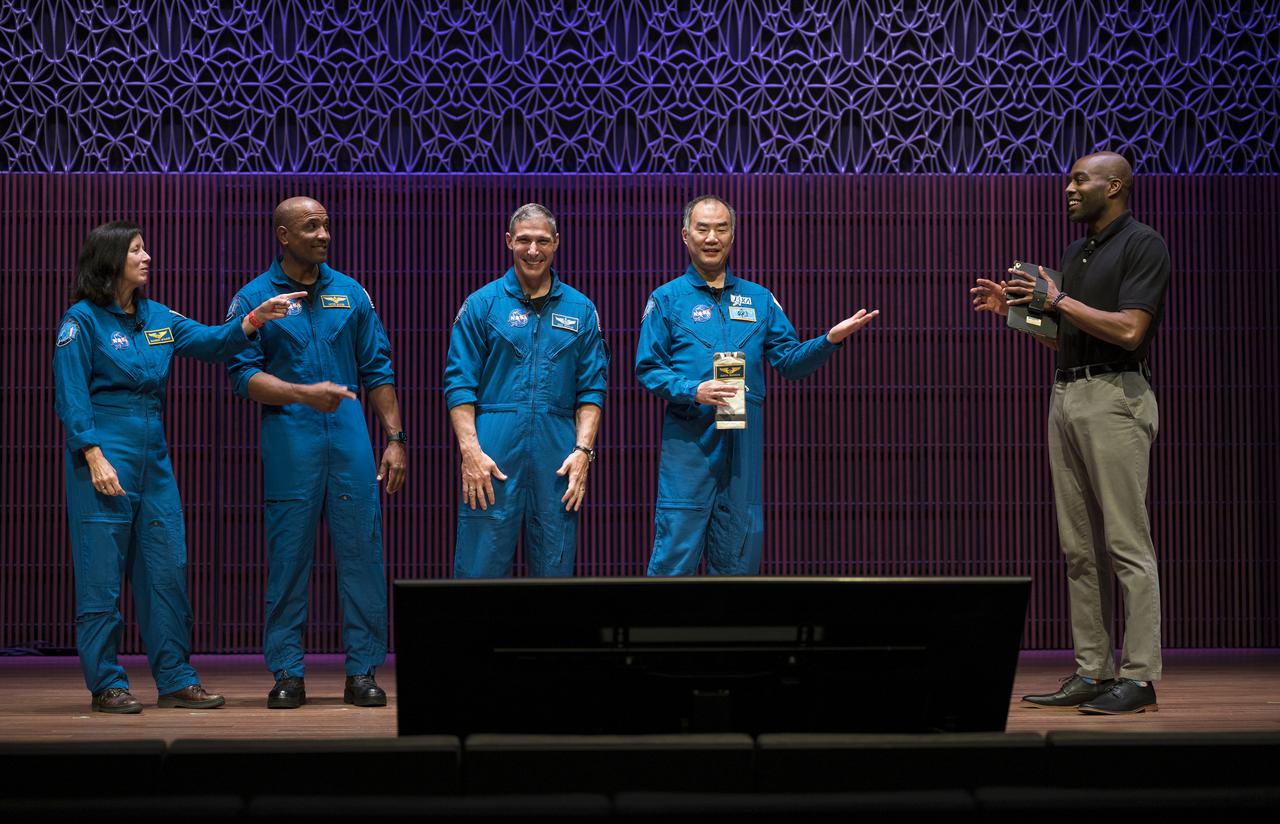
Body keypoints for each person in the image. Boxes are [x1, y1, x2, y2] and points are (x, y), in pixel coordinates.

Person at [53, 220, 303, 713]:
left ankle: (174, 679)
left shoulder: (158, 316)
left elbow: (213, 342)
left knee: (167, 570)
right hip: (104, 451)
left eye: (145, 248)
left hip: (154, 457)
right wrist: (92, 452)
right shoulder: (80, 321)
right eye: (136, 250)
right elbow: (71, 394)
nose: (147, 257)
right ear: (110, 259)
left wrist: (257, 318)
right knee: (101, 576)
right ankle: (107, 683)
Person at [971, 151, 1170, 714]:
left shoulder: (1143, 244)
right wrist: (1012, 314)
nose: (1069, 188)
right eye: (1069, 179)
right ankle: (1092, 670)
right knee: (1078, 547)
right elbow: (1071, 337)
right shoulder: (1075, 252)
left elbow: (1130, 331)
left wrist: (1056, 298)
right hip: (1067, 393)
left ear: (1116, 187)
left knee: (1126, 542)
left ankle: (1140, 676)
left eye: (1081, 180)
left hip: (1115, 396)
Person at [635, 195, 879, 576]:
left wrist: (829, 340)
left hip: (742, 443)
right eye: (702, 229)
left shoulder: (759, 298)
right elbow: (648, 367)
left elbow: (790, 363)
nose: (712, 237)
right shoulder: (666, 300)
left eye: (721, 228)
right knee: (673, 559)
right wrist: (692, 390)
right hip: (689, 441)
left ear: (732, 236)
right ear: (685, 235)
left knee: (738, 558)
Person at [226, 197, 406, 709]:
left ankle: (363, 671)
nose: (324, 234)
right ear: (283, 236)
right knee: (288, 561)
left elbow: (378, 369)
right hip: (291, 443)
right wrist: (303, 393)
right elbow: (243, 376)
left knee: (363, 557)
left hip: (349, 440)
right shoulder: (255, 299)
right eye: (311, 227)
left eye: (326, 225)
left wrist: (394, 438)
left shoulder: (350, 294)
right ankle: (287, 671)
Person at [444, 203, 609, 577]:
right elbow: (458, 385)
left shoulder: (581, 310)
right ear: (508, 242)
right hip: (492, 450)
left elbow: (592, 390)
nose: (532, 250)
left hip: (557, 454)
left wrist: (583, 452)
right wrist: (470, 453)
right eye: (523, 241)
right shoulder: (482, 305)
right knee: (478, 568)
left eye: (542, 241)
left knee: (555, 568)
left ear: (556, 244)